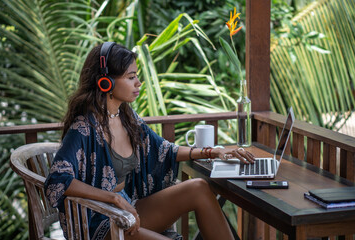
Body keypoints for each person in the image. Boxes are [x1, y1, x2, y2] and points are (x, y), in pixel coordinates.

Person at [44, 42, 255, 240]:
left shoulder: (126, 117)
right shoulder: (83, 128)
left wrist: (213, 152)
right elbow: (56, 181)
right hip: (101, 223)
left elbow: (165, 150)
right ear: (105, 81)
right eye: (130, 77)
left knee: (199, 187)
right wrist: (114, 199)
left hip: (128, 208)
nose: (138, 83)